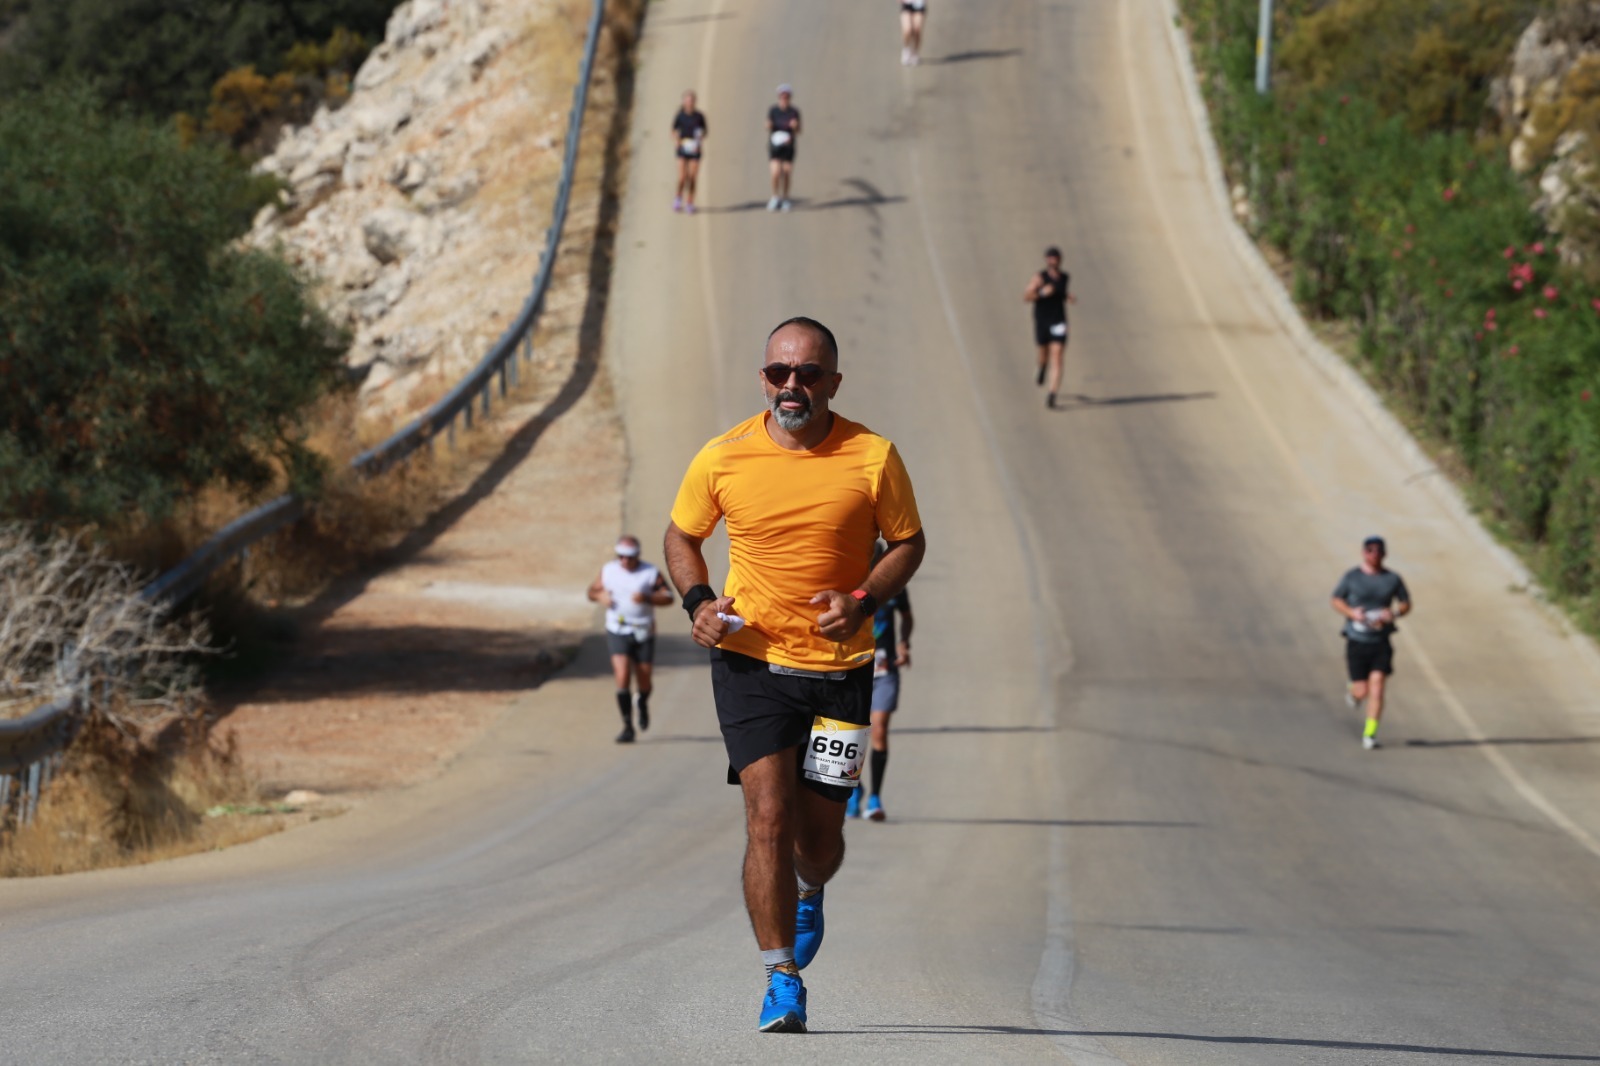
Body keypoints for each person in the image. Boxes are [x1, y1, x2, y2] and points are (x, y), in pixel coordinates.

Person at [663, 316, 926, 1032]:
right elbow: (682, 535)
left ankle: (811, 889)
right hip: (752, 663)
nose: (792, 386)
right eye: (780, 372)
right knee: (768, 820)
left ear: (832, 384)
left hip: (841, 669)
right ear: (763, 378)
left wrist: (865, 599)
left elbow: (908, 541)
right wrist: (697, 603)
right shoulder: (723, 456)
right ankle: (780, 977)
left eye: (808, 374)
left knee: (819, 838)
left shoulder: (872, 456)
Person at [847, 540, 912, 821]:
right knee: (847, 734)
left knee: (879, 729)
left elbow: (907, 617)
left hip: (884, 670)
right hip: (849, 669)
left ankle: (875, 798)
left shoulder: (893, 585)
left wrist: (904, 643)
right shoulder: (844, 582)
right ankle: (854, 790)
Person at [587, 535, 675, 743]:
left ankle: (642, 701)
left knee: (644, 680)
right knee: (622, 674)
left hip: (643, 631)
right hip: (617, 629)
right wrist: (601, 597)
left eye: (629, 557)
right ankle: (627, 726)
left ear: (637, 556)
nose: (625, 561)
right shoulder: (608, 570)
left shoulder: (649, 573)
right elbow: (591, 591)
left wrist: (647, 598)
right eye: (621, 557)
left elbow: (669, 596)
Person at [1331, 536, 1412, 750]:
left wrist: (1393, 613)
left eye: (1378, 551)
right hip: (1357, 641)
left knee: (1377, 688)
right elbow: (1336, 599)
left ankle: (1370, 734)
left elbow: (1405, 603)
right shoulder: (1352, 577)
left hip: (1380, 642)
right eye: (1370, 550)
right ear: (1363, 553)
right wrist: (1351, 613)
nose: (1374, 554)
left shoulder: (1392, 579)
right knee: (1362, 690)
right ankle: (1353, 691)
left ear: (1384, 554)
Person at [1023, 246, 1077, 409]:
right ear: (1047, 260)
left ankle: (1052, 395)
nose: (1054, 260)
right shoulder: (1039, 277)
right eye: (1051, 257)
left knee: (1058, 357)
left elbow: (1061, 293)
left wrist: (1068, 297)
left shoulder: (1065, 277)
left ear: (1060, 260)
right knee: (1043, 353)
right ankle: (1041, 367)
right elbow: (1026, 297)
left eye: (1056, 257)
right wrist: (1041, 293)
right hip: (1042, 321)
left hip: (1059, 321)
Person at [766, 85, 801, 213]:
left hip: (788, 147)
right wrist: (768, 125)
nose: (784, 99)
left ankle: (785, 198)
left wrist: (795, 126)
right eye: (782, 97)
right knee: (775, 172)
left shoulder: (794, 112)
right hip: (775, 146)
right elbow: (767, 125)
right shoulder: (773, 110)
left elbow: (799, 131)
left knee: (786, 172)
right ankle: (775, 196)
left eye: (786, 97)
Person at [672, 90, 707, 214]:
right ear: (683, 102)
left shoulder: (699, 117)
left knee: (692, 177)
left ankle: (690, 202)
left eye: (691, 100)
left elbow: (704, 132)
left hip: (694, 149)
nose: (689, 103)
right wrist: (677, 141)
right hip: (683, 148)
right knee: (682, 177)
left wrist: (700, 138)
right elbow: (674, 130)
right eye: (687, 100)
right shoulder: (680, 116)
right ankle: (678, 197)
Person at [899, 0, 927, 66]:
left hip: (919, 4)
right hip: (906, 4)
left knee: (917, 30)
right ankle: (906, 49)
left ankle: (915, 52)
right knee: (907, 30)